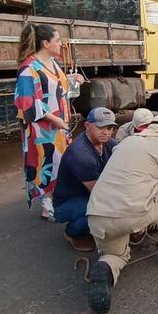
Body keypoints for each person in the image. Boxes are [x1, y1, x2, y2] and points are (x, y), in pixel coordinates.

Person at [85, 114, 158, 313]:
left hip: (96, 215)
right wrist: (145, 221)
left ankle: (105, 267)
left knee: (116, 254)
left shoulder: (125, 143)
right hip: (132, 212)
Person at [14, 23, 82, 219]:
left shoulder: (52, 64)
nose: (61, 44)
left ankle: (56, 199)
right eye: (58, 40)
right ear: (46, 43)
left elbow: (56, 90)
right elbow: (27, 103)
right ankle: (47, 203)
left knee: (60, 163)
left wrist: (72, 81)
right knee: (46, 164)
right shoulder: (29, 68)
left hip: (59, 127)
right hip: (42, 131)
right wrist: (55, 119)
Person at [51, 107, 118, 252]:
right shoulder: (80, 154)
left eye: (110, 127)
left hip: (88, 194)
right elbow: (100, 194)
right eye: (101, 127)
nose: (106, 132)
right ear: (87, 126)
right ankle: (72, 232)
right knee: (105, 211)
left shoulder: (109, 143)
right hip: (67, 203)